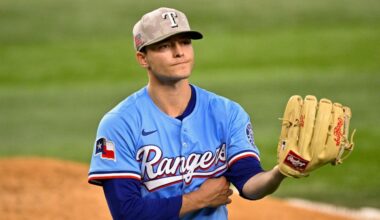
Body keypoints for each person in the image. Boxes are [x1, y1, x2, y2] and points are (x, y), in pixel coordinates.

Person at [88, 7, 286, 220]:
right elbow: (127, 212)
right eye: (165, 46)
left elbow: (249, 183)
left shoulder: (227, 113)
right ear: (143, 58)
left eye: (185, 42)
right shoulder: (119, 124)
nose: (179, 52)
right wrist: (199, 199)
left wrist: (279, 172)